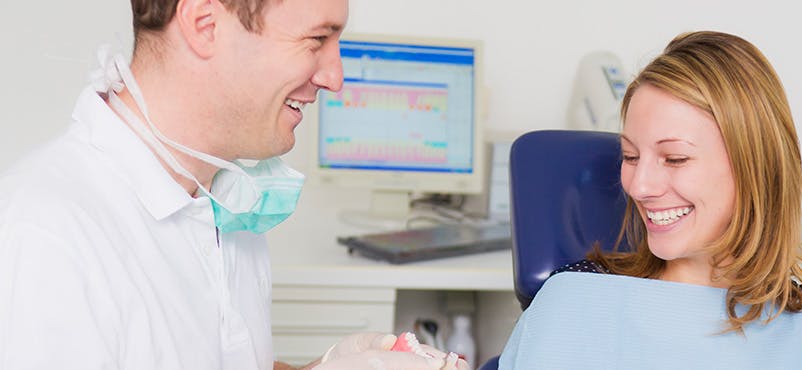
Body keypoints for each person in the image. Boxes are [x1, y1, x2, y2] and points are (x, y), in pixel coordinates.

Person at [0, 0, 467, 369]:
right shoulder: (46, 238)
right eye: (316, 40)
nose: (335, 78)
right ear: (205, 23)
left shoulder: (226, 199)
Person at [499, 31, 802, 369]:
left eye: (675, 158)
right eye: (630, 156)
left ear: (754, 167)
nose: (639, 186)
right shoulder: (573, 294)